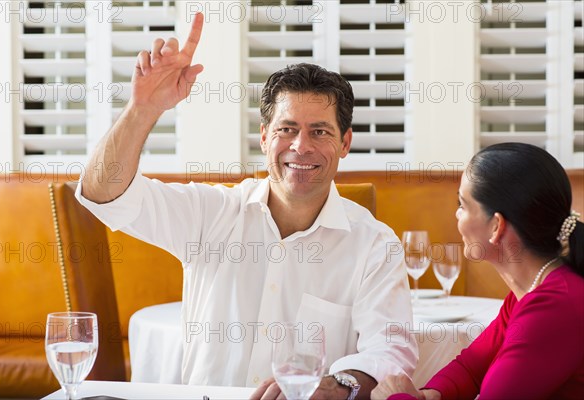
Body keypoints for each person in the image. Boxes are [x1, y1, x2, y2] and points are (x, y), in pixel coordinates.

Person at [76, 13, 417, 400]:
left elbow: (391, 350)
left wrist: (339, 384)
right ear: (263, 138)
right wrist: (142, 109)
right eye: (286, 129)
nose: (300, 146)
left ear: (345, 143)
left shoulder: (374, 244)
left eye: (319, 131)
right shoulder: (210, 213)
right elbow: (103, 194)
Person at [371, 143, 584, 400]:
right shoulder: (531, 290)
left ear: (496, 226)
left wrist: (395, 398)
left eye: (462, 205)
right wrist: (427, 396)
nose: (456, 214)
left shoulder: (554, 306)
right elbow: (471, 368)